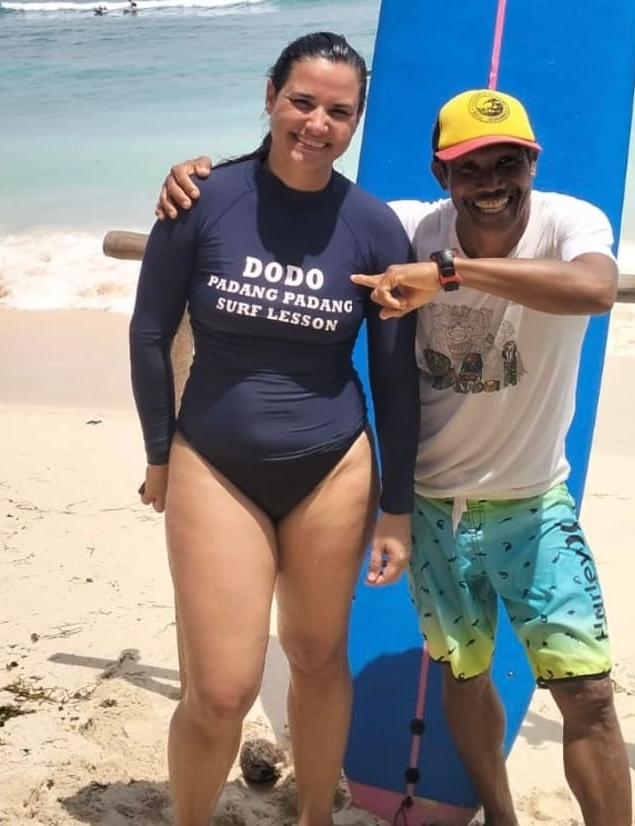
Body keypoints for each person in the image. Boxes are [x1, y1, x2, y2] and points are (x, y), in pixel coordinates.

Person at [153, 88, 632, 826]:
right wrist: (199, 176)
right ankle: (499, 816)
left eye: (510, 162)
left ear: (533, 163)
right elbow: (301, 194)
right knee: (465, 679)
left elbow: (596, 289)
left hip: (536, 505)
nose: (492, 182)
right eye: (470, 167)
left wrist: (449, 275)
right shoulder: (406, 226)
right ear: (442, 176)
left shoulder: (572, 221)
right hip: (435, 506)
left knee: (589, 693)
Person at [128, 31, 419, 826]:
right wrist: (159, 454)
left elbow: (394, 375)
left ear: (356, 121)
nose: (317, 123)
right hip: (213, 460)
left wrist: (398, 502)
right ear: (269, 96)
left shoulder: (373, 226)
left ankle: (315, 816)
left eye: (339, 110)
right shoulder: (202, 200)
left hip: (334, 464)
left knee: (321, 658)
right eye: (302, 101)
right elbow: (150, 333)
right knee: (221, 689)